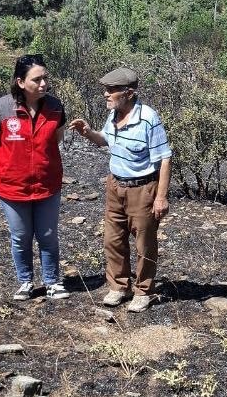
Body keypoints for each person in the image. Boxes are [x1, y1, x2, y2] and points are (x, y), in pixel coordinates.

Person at [70, 66, 172, 313]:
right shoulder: (114, 115)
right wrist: (88, 133)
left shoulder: (148, 118)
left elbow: (165, 159)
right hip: (115, 186)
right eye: (105, 89)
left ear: (129, 93)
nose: (106, 94)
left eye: (112, 90)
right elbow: (105, 140)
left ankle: (144, 291)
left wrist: (161, 197)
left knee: (144, 243)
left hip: (142, 188)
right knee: (113, 240)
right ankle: (119, 287)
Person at [0, 53, 70, 301]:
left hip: (47, 183)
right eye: (37, 79)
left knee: (47, 234)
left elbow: (56, 139)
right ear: (21, 82)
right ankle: (25, 281)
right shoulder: (1, 107)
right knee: (21, 236)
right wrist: (11, 167)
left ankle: (52, 281)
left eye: (45, 78)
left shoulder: (55, 106)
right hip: (13, 186)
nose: (43, 84)